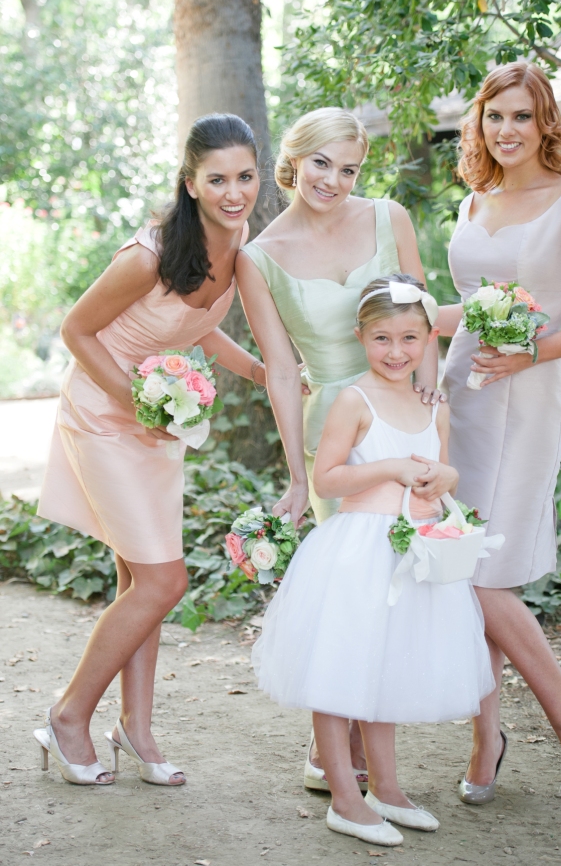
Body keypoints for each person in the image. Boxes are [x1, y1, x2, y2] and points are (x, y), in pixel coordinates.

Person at [35, 113, 268, 786]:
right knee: (166, 580)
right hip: (104, 415)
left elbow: (198, 329)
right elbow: (76, 331)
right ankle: (68, 714)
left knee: (142, 580)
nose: (234, 192)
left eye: (245, 176)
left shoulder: (238, 241)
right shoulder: (149, 254)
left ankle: (134, 728)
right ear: (190, 183)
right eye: (217, 179)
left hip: (160, 420)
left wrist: (261, 371)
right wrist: (137, 402)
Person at [437, 63, 561, 801]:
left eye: (521, 116)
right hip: (462, 396)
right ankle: (485, 743)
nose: (507, 130)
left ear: (544, 123)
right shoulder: (472, 202)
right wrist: (388, 331)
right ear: (479, 123)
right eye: (494, 116)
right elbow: (463, 307)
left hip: (525, 396)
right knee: (463, 575)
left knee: (484, 575)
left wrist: (533, 351)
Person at [236, 107, 442, 787]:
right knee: (348, 587)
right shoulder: (259, 256)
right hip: (336, 423)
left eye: (348, 168)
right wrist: (299, 476)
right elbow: (278, 368)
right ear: (290, 161)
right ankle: (336, 754)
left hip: (404, 417)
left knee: (398, 583)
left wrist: (429, 403)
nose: (334, 180)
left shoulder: (389, 219)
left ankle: (362, 754)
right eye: (320, 163)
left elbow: (426, 321)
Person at [252, 275, 494, 846]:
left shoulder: (431, 404)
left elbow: (443, 471)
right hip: (358, 551)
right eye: (382, 338)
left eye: (410, 339)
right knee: (339, 672)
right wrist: (389, 469)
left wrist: (448, 477)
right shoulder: (352, 400)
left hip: (410, 554)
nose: (396, 352)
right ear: (362, 337)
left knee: (382, 670)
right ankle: (344, 798)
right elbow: (327, 477)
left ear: (429, 339)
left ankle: (385, 788)